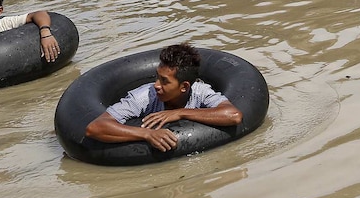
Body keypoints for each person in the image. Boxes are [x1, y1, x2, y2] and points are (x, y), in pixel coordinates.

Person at [85, 43, 243, 152]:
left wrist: (180, 113)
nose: (156, 85)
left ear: (184, 87)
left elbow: (233, 116)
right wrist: (147, 134)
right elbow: (95, 128)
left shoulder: (200, 92)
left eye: (165, 81)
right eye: (157, 77)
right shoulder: (144, 96)